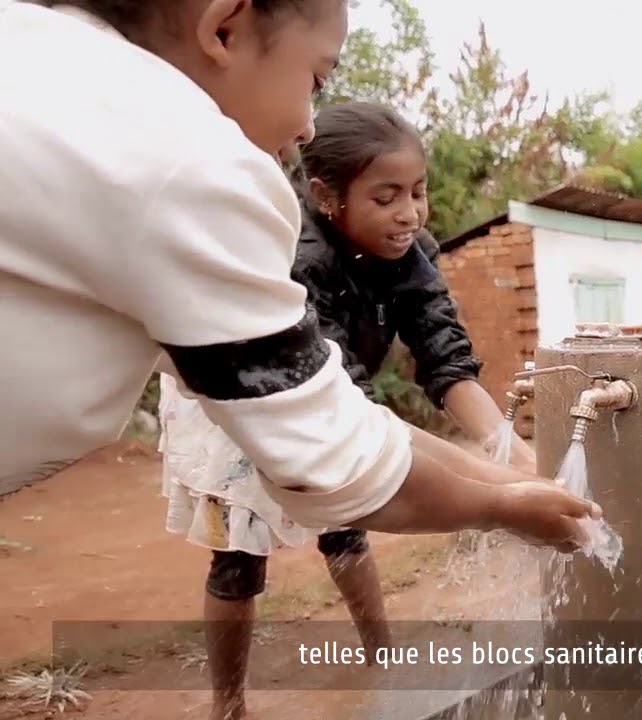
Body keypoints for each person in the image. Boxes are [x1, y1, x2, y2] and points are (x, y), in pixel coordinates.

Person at [0, 2, 592, 545]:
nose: (309, 125)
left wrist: (504, 462)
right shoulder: (194, 167)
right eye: (315, 79)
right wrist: (504, 506)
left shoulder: (35, 52)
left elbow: (431, 353)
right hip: (260, 420)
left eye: (418, 193)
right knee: (239, 552)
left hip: (287, 407)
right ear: (224, 26)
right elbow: (337, 456)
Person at [158, 101, 537, 720]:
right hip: (244, 397)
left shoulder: (411, 256)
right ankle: (228, 704)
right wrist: (501, 489)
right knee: (239, 555)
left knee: (347, 524)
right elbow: (345, 405)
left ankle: (382, 655)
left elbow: (445, 356)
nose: (409, 212)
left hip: (334, 393)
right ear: (326, 196)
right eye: (386, 197)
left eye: (418, 192)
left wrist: (509, 451)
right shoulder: (298, 261)